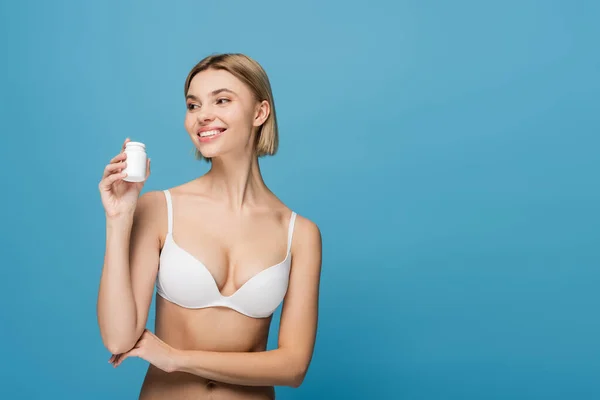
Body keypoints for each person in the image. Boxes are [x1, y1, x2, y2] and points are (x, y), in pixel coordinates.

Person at [97, 53, 322, 399]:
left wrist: (177, 359)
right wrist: (118, 219)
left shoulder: (300, 234)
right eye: (192, 105)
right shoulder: (159, 209)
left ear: (260, 113)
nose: (203, 115)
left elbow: (293, 367)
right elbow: (118, 338)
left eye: (222, 100)